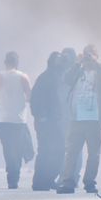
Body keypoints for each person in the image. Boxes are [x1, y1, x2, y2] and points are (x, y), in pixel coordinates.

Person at [56, 44, 101, 194]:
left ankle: (89, 182)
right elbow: (66, 79)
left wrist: (96, 64)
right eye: (86, 55)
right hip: (76, 118)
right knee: (71, 152)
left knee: (93, 153)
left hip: (95, 119)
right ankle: (68, 182)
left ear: (96, 56)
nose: (88, 58)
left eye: (91, 55)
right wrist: (77, 63)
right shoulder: (77, 71)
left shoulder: (100, 72)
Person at [0, 51, 33, 189]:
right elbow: (30, 97)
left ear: (5, 62)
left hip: (3, 119)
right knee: (18, 150)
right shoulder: (23, 77)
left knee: (8, 150)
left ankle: (11, 180)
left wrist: (1, 99)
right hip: (19, 120)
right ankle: (15, 177)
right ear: (17, 63)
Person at [29, 51, 65, 191]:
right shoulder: (45, 78)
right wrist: (41, 116)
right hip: (46, 122)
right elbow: (35, 99)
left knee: (57, 150)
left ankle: (48, 179)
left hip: (54, 121)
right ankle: (39, 182)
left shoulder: (57, 77)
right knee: (46, 151)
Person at [54, 47, 78, 187]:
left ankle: (70, 177)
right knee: (66, 147)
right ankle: (66, 176)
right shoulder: (59, 72)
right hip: (64, 115)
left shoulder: (76, 72)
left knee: (73, 147)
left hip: (74, 115)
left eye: (67, 57)